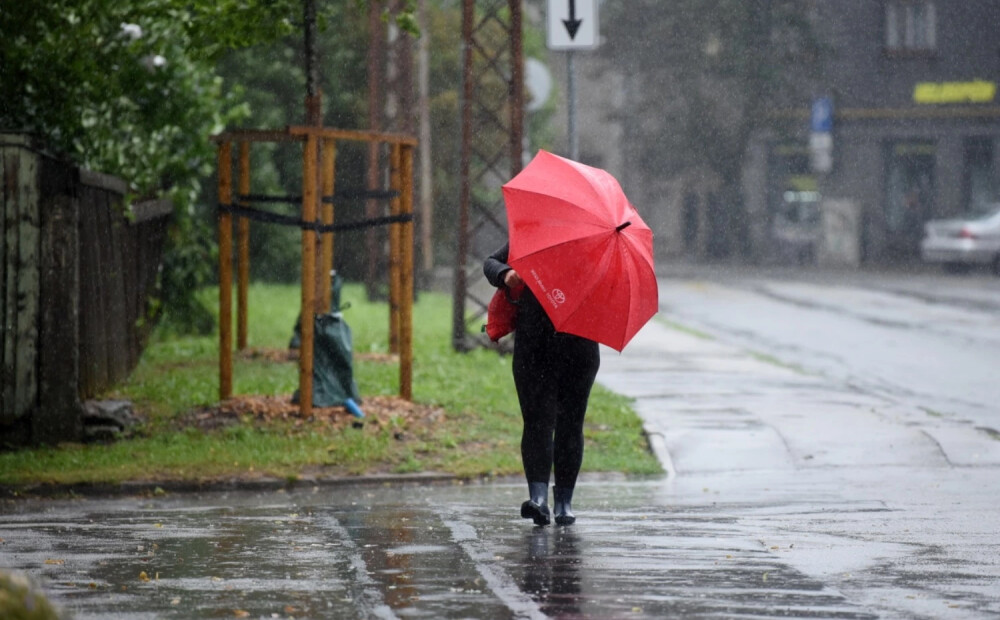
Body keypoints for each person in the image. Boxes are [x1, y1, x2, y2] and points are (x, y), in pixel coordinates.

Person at [484, 243, 601, 526]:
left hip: (579, 348)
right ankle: (538, 500)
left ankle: (564, 503)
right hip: (533, 346)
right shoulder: (536, 237)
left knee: (570, 423)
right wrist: (506, 273)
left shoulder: (599, 246)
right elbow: (491, 262)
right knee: (537, 421)